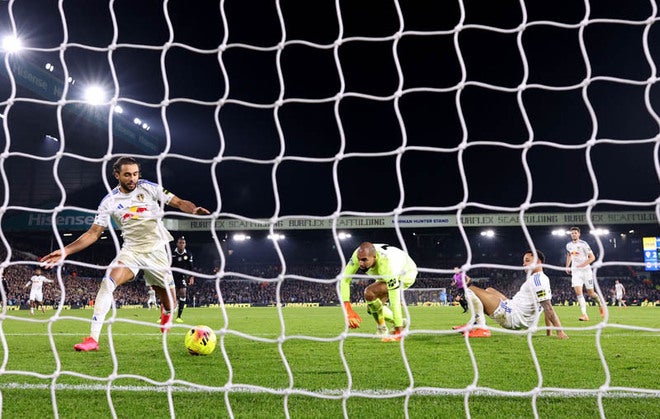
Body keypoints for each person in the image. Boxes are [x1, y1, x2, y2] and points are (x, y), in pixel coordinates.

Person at [40, 156, 210, 352]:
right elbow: (93, 233)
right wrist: (65, 251)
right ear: (117, 175)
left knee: (170, 302)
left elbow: (179, 202)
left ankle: (167, 311)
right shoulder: (109, 201)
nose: (132, 179)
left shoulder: (148, 188)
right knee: (107, 283)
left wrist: (193, 210)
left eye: (135, 174)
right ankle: (93, 339)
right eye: (127, 175)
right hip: (131, 251)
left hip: (157, 250)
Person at [464, 250, 568, 339]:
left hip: (512, 316)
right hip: (515, 310)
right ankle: (474, 324)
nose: (524, 264)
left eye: (527, 260)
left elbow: (547, 307)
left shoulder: (537, 280)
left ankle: (481, 328)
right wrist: (549, 332)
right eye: (524, 261)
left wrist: (560, 331)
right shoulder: (542, 279)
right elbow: (545, 307)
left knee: (470, 290)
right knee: (489, 290)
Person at [341, 242, 418, 342]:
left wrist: (398, 332)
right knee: (372, 308)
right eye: (359, 259)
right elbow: (345, 280)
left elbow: (394, 300)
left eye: (364, 260)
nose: (360, 263)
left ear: (374, 257)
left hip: (406, 273)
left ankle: (384, 329)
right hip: (384, 273)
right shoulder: (358, 254)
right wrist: (348, 310)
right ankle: (400, 323)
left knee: (369, 292)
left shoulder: (387, 266)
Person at [565, 226, 604, 321]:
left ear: (579, 234)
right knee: (578, 292)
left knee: (591, 294)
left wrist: (582, 265)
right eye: (572, 233)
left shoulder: (584, 244)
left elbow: (592, 257)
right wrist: (567, 266)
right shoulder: (568, 245)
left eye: (575, 233)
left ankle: (600, 304)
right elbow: (569, 254)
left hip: (586, 271)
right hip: (575, 272)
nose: (573, 234)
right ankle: (584, 315)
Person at [171, 236, 195, 323]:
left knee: (183, 293)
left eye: (183, 243)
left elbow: (191, 267)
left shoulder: (188, 254)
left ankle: (179, 316)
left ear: (185, 244)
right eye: (180, 243)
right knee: (171, 296)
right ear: (177, 244)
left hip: (181, 276)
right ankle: (164, 316)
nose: (182, 244)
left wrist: (192, 276)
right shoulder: (172, 253)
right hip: (171, 276)